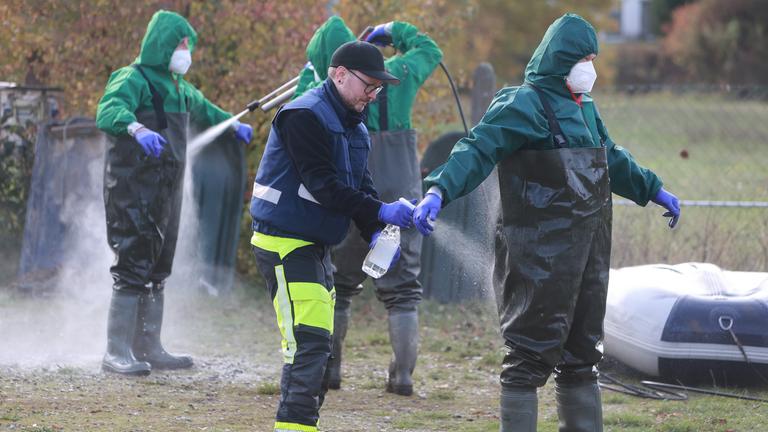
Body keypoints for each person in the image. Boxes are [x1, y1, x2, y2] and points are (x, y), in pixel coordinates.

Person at [413, 14, 681, 432]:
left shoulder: (585, 107)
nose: (589, 67)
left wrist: (654, 189)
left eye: (593, 58)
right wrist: (438, 190)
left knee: (582, 356)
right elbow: (477, 149)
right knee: (527, 358)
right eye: (583, 58)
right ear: (561, 59)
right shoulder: (522, 104)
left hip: (588, 255)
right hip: (535, 255)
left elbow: (610, 155)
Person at [249, 41, 409, 432]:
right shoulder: (303, 116)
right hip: (284, 243)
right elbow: (323, 185)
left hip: (315, 244)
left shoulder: (354, 124)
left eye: (378, 88)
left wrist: (376, 231)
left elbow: (360, 186)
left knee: (319, 348)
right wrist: (381, 211)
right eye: (369, 85)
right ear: (339, 75)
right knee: (308, 346)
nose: (373, 95)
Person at [96, 10, 253, 376]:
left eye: (187, 45)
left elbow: (206, 109)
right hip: (132, 187)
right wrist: (135, 128)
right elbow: (108, 109)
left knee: (159, 265)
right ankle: (116, 351)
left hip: (167, 188)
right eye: (181, 44)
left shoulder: (180, 88)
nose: (186, 51)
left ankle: (149, 347)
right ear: (163, 44)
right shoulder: (132, 78)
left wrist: (233, 125)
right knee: (133, 263)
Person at [293, 15, 443, 396]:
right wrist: (393, 30)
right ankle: (402, 376)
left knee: (338, 286)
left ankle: (330, 369)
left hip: (349, 197)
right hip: (402, 195)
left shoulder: (317, 91)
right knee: (404, 291)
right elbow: (429, 50)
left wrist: (309, 72)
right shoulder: (397, 74)